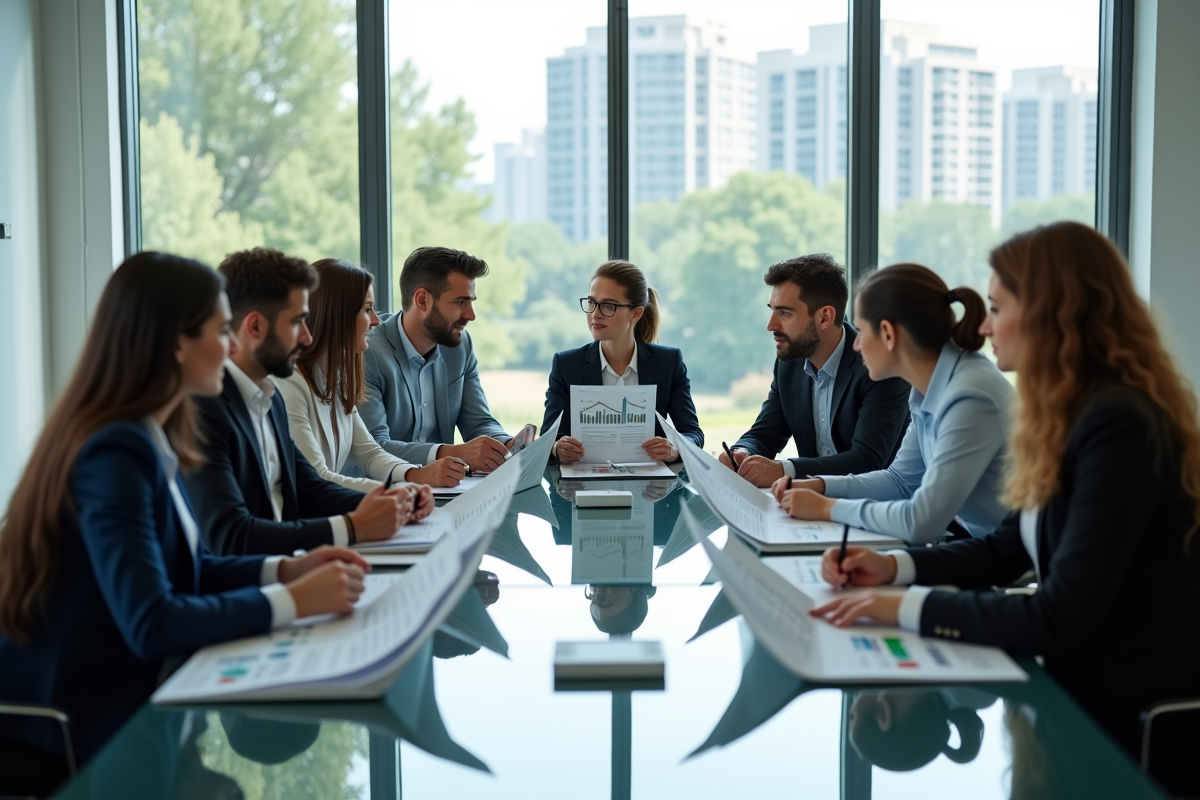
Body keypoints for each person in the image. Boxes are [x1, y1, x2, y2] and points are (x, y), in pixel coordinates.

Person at [810, 222, 1200, 763]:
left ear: (1050, 312)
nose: (985, 328)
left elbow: (1058, 618)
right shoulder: (1070, 414)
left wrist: (905, 607)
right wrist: (893, 571)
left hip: (1130, 722)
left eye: (997, 307)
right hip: (1085, 692)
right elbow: (1006, 548)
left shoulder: (1119, 424)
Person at [0, 253, 372, 791]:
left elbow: (194, 567)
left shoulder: (151, 433)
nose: (229, 348)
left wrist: (288, 573)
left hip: (124, 696)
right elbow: (152, 621)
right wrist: (293, 603)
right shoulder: (116, 448)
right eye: (220, 331)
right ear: (177, 342)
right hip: (73, 726)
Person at [184, 247, 419, 556]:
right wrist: (352, 527)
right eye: (297, 322)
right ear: (254, 327)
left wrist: (399, 497)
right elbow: (229, 537)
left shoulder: (269, 399)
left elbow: (307, 488)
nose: (308, 336)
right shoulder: (208, 409)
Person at [771, 263, 1013, 543]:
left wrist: (828, 507)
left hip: (1017, 559)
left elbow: (921, 523)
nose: (857, 345)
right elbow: (900, 481)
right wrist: (821, 486)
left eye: (861, 331)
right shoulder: (930, 385)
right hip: (986, 547)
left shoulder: (970, 395)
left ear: (888, 334)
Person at [720, 255, 910, 488]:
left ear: (824, 317)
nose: (771, 325)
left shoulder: (880, 365)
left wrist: (784, 470)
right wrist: (742, 452)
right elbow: (764, 434)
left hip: (877, 508)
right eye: (772, 310)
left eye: (785, 313)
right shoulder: (788, 364)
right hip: (809, 505)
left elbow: (867, 460)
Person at [360, 246, 529, 485]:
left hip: (444, 492)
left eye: (471, 302)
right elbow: (374, 447)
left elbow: (479, 422)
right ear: (422, 300)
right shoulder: (368, 352)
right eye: (460, 302)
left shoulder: (459, 346)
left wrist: (505, 443)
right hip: (381, 493)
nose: (471, 315)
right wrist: (453, 452)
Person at [275, 258, 433, 507]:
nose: (376, 321)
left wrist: (415, 475)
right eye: (367, 309)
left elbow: (369, 454)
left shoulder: (335, 379)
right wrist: (394, 495)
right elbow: (318, 478)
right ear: (336, 315)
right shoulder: (289, 386)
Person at [543, 259, 703, 463]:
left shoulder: (668, 363)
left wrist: (675, 449)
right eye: (592, 302)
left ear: (635, 313)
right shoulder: (566, 365)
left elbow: (693, 433)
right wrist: (558, 448)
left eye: (608, 305)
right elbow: (548, 439)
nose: (595, 314)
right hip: (584, 487)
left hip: (651, 487)